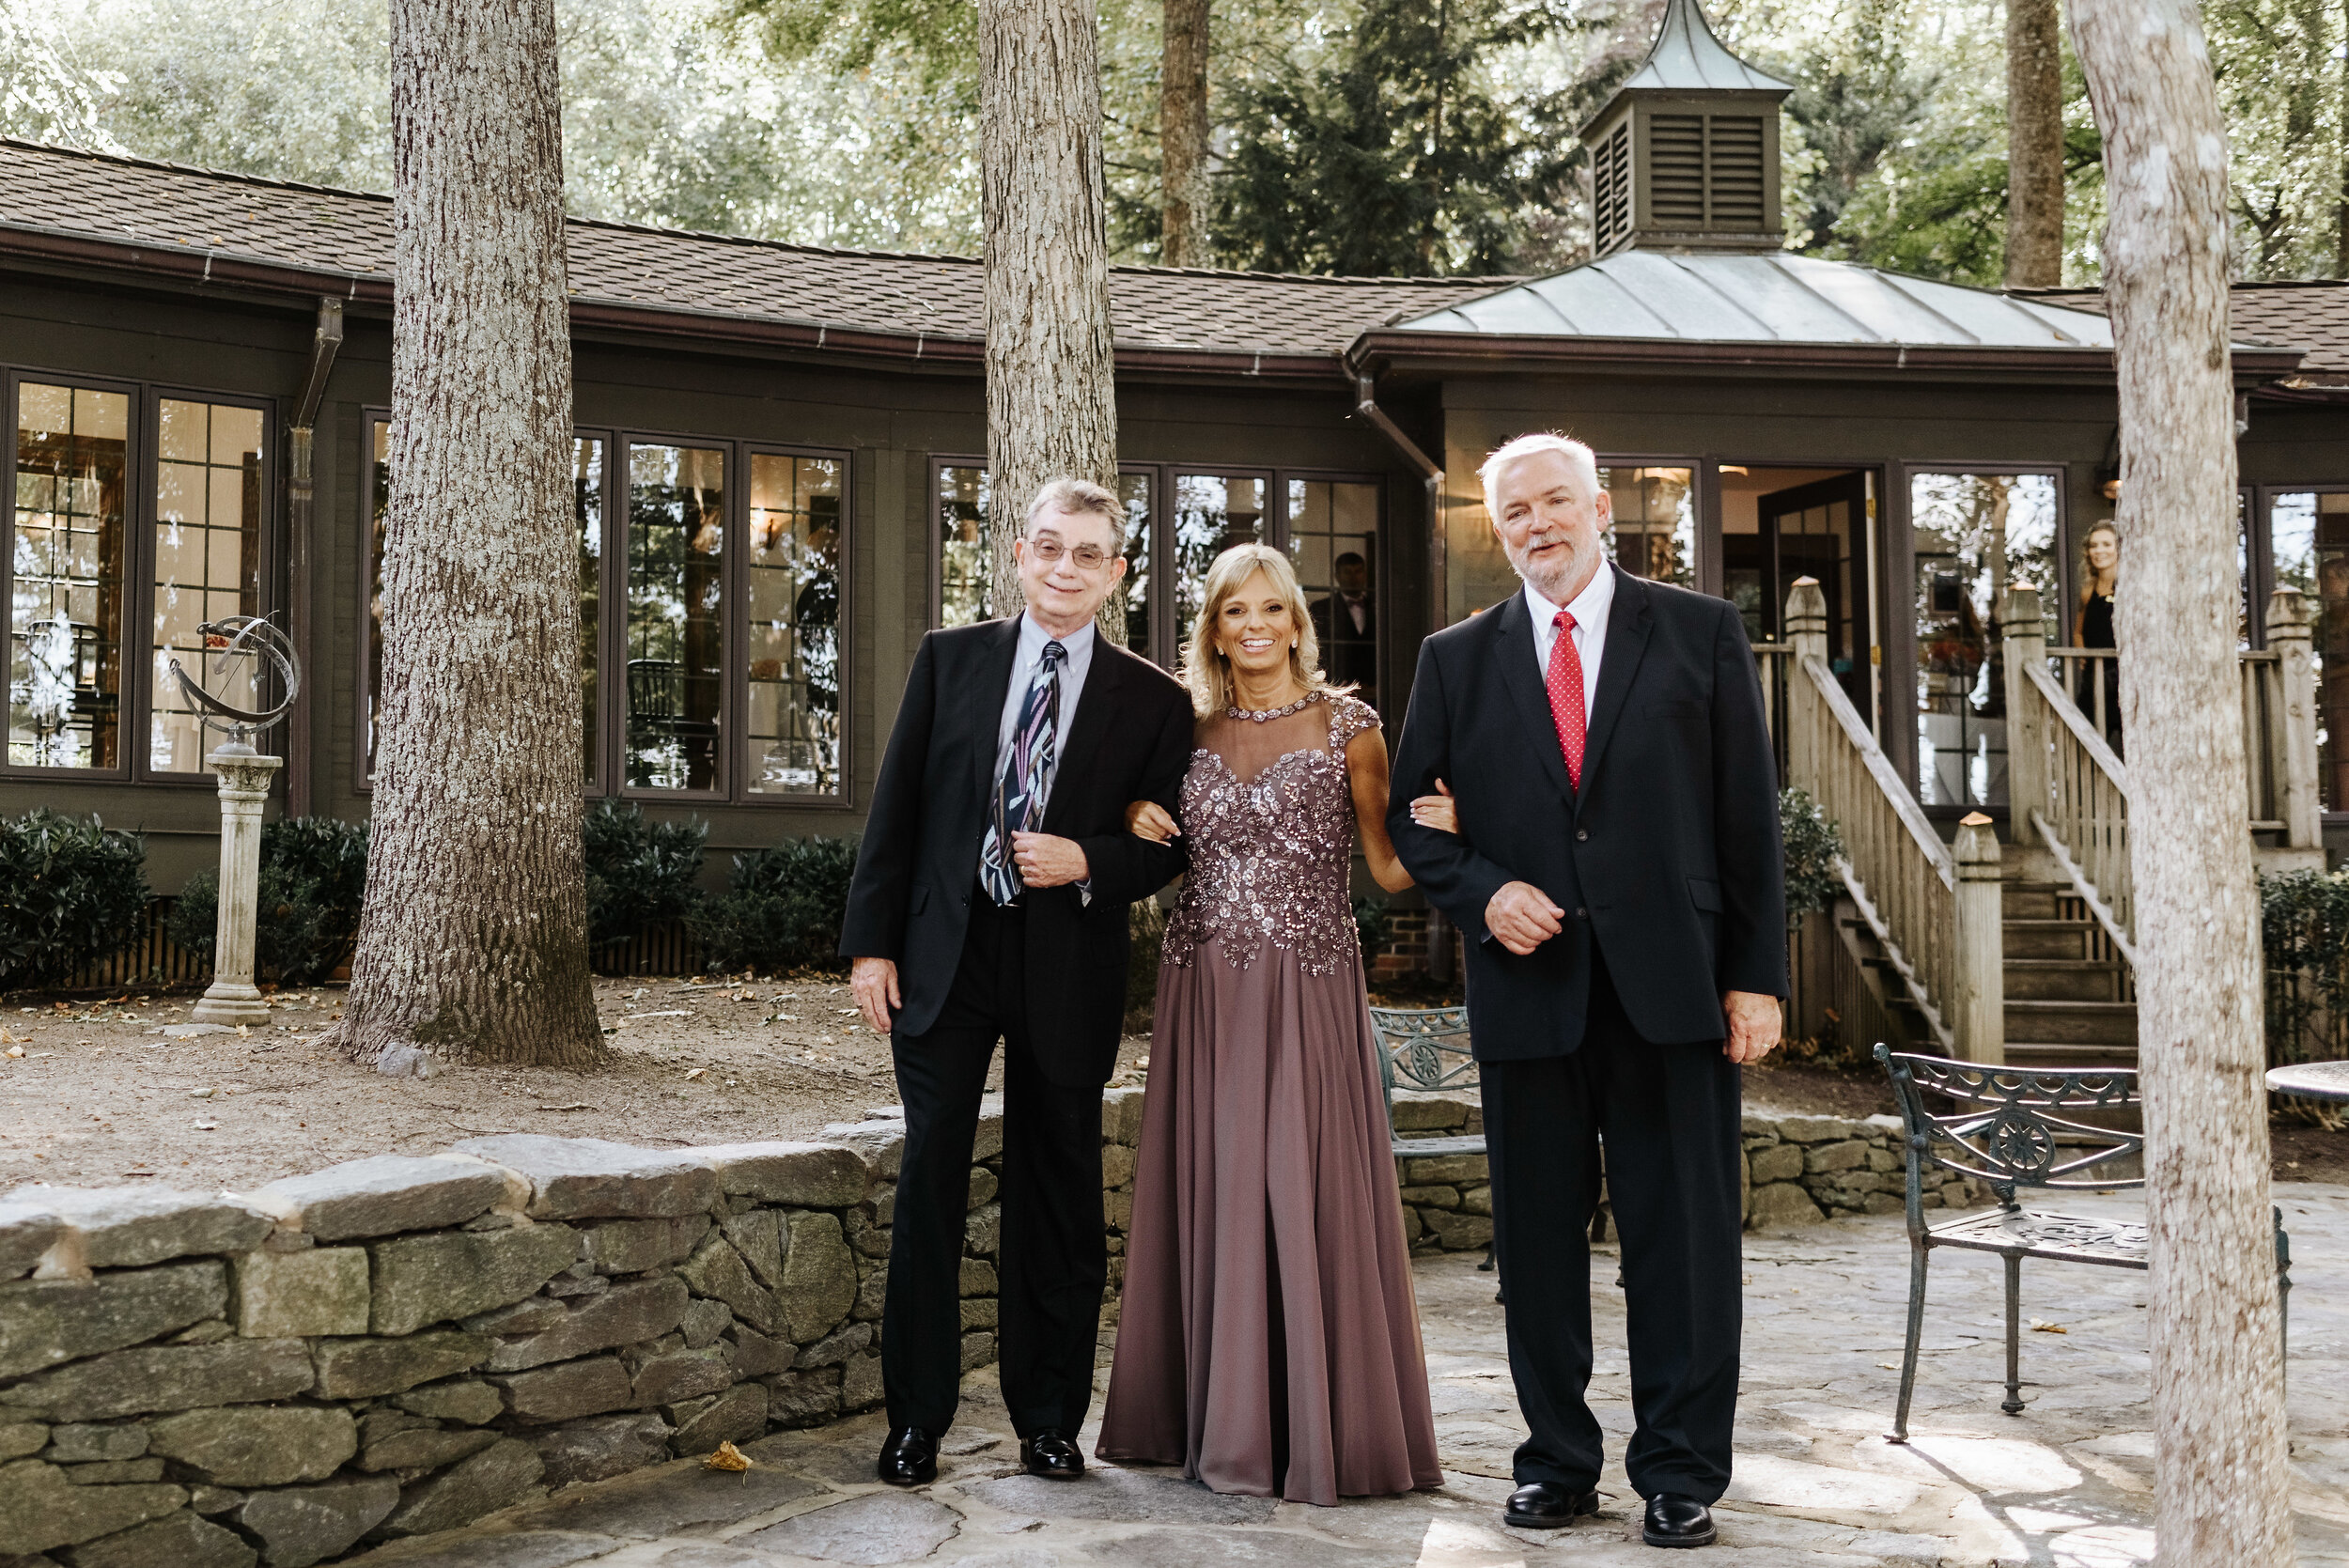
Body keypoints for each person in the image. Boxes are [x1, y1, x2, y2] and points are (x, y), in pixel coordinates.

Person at [1387, 433, 1786, 1550]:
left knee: (1684, 1244)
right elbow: (1411, 824)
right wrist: (1483, 891)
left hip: (1677, 989)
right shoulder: (1454, 659)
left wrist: (1757, 977)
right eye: (1513, 513)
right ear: (1495, 527)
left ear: (1600, 506)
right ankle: (1555, 1460)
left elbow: (1747, 818)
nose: (1536, 525)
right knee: (1537, 1247)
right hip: (1530, 993)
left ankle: (1679, 1468)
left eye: (1554, 502)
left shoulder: (1698, 631)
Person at [839, 477, 1193, 1487]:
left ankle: (1049, 1418)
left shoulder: (1154, 700)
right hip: (944, 960)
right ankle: (916, 1420)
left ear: (1115, 572)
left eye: (1087, 553)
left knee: (1059, 1196)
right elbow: (895, 805)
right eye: (1049, 547)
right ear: (1018, 554)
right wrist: (871, 946)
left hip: (1066, 966)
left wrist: (1089, 859)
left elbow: (1170, 845)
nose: (1065, 567)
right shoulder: (949, 660)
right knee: (929, 1191)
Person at [1096, 542, 1453, 1504]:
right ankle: (1203, 1418)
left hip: (1307, 983)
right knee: (1212, 1180)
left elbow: (1385, 866)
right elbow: (1153, 828)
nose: (1252, 628)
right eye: (1230, 613)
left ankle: (1315, 1423)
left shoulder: (1351, 727)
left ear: (1297, 620)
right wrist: (1132, 809)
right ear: (1212, 628)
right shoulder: (1188, 728)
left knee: (1301, 1177)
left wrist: (1458, 832)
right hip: (1204, 980)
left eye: (1269, 610)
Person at [2075, 522, 2121, 747]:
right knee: (2086, 744)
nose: (2099, 551)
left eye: (2106, 544)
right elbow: (2078, 631)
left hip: (2124, 681)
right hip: (2093, 682)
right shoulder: (2088, 590)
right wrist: (2083, 656)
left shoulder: (2130, 586)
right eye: (2093, 545)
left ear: (2119, 548)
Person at [1310, 551, 1378, 700]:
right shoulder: (1321, 609)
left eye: (1358, 571)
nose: (1353, 577)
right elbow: (1319, 652)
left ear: (1365, 574)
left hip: (1377, 693)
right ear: (1337, 576)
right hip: (1338, 692)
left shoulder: (1380, 608)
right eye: (1347, 572)